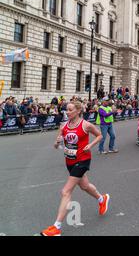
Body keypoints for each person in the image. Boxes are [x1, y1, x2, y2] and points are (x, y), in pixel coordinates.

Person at [40, 101, 109, 236]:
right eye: (67, 109)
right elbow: (56, 146)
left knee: (66, 191)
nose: (67, 111)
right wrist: (57, 143)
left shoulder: (86, 125)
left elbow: (100, 135)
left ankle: (56, 228)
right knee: (84, 186)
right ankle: (102, 199)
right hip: (69, 161)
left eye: (70, 109)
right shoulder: (64, 126)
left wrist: (91, 145)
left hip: (83, 160)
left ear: (78, 111)